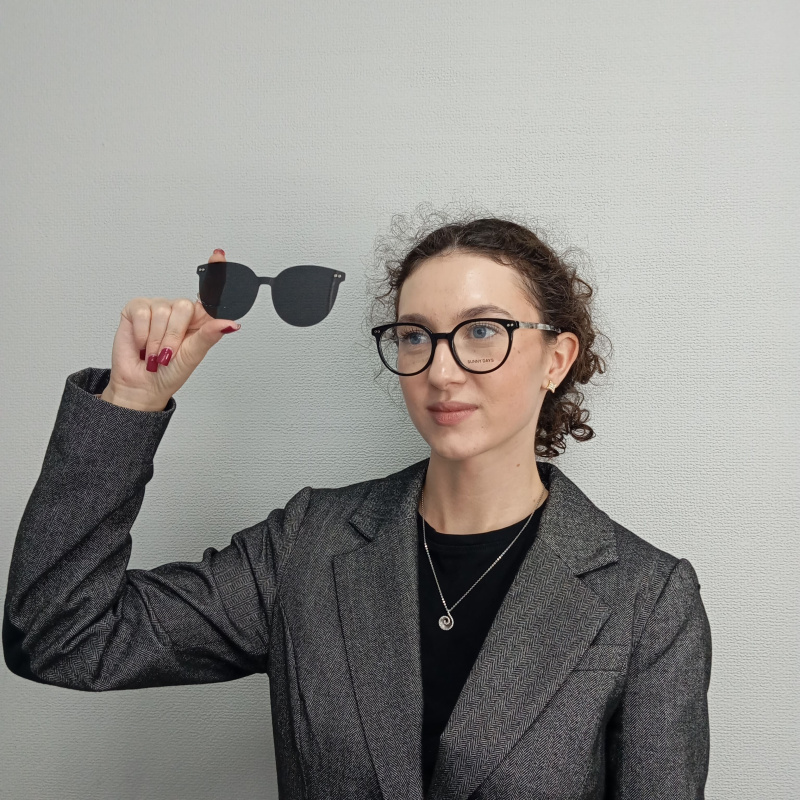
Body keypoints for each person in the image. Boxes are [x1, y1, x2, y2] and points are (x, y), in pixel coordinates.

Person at [3, 215, 712, 799]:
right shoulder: (308, 544)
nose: (440, 370)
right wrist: (131, 400)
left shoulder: (649, 598)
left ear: (556, 359)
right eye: (415, 335)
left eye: (481, 331)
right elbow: (63, 635)